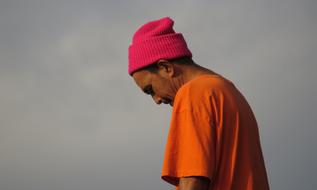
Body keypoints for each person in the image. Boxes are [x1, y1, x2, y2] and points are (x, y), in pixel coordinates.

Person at [128, 17, 269, 190]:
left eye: (150, 90)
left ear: (166, 67)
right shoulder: (227, 90)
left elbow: (193, 179)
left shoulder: (193, 94)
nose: (156, 100)